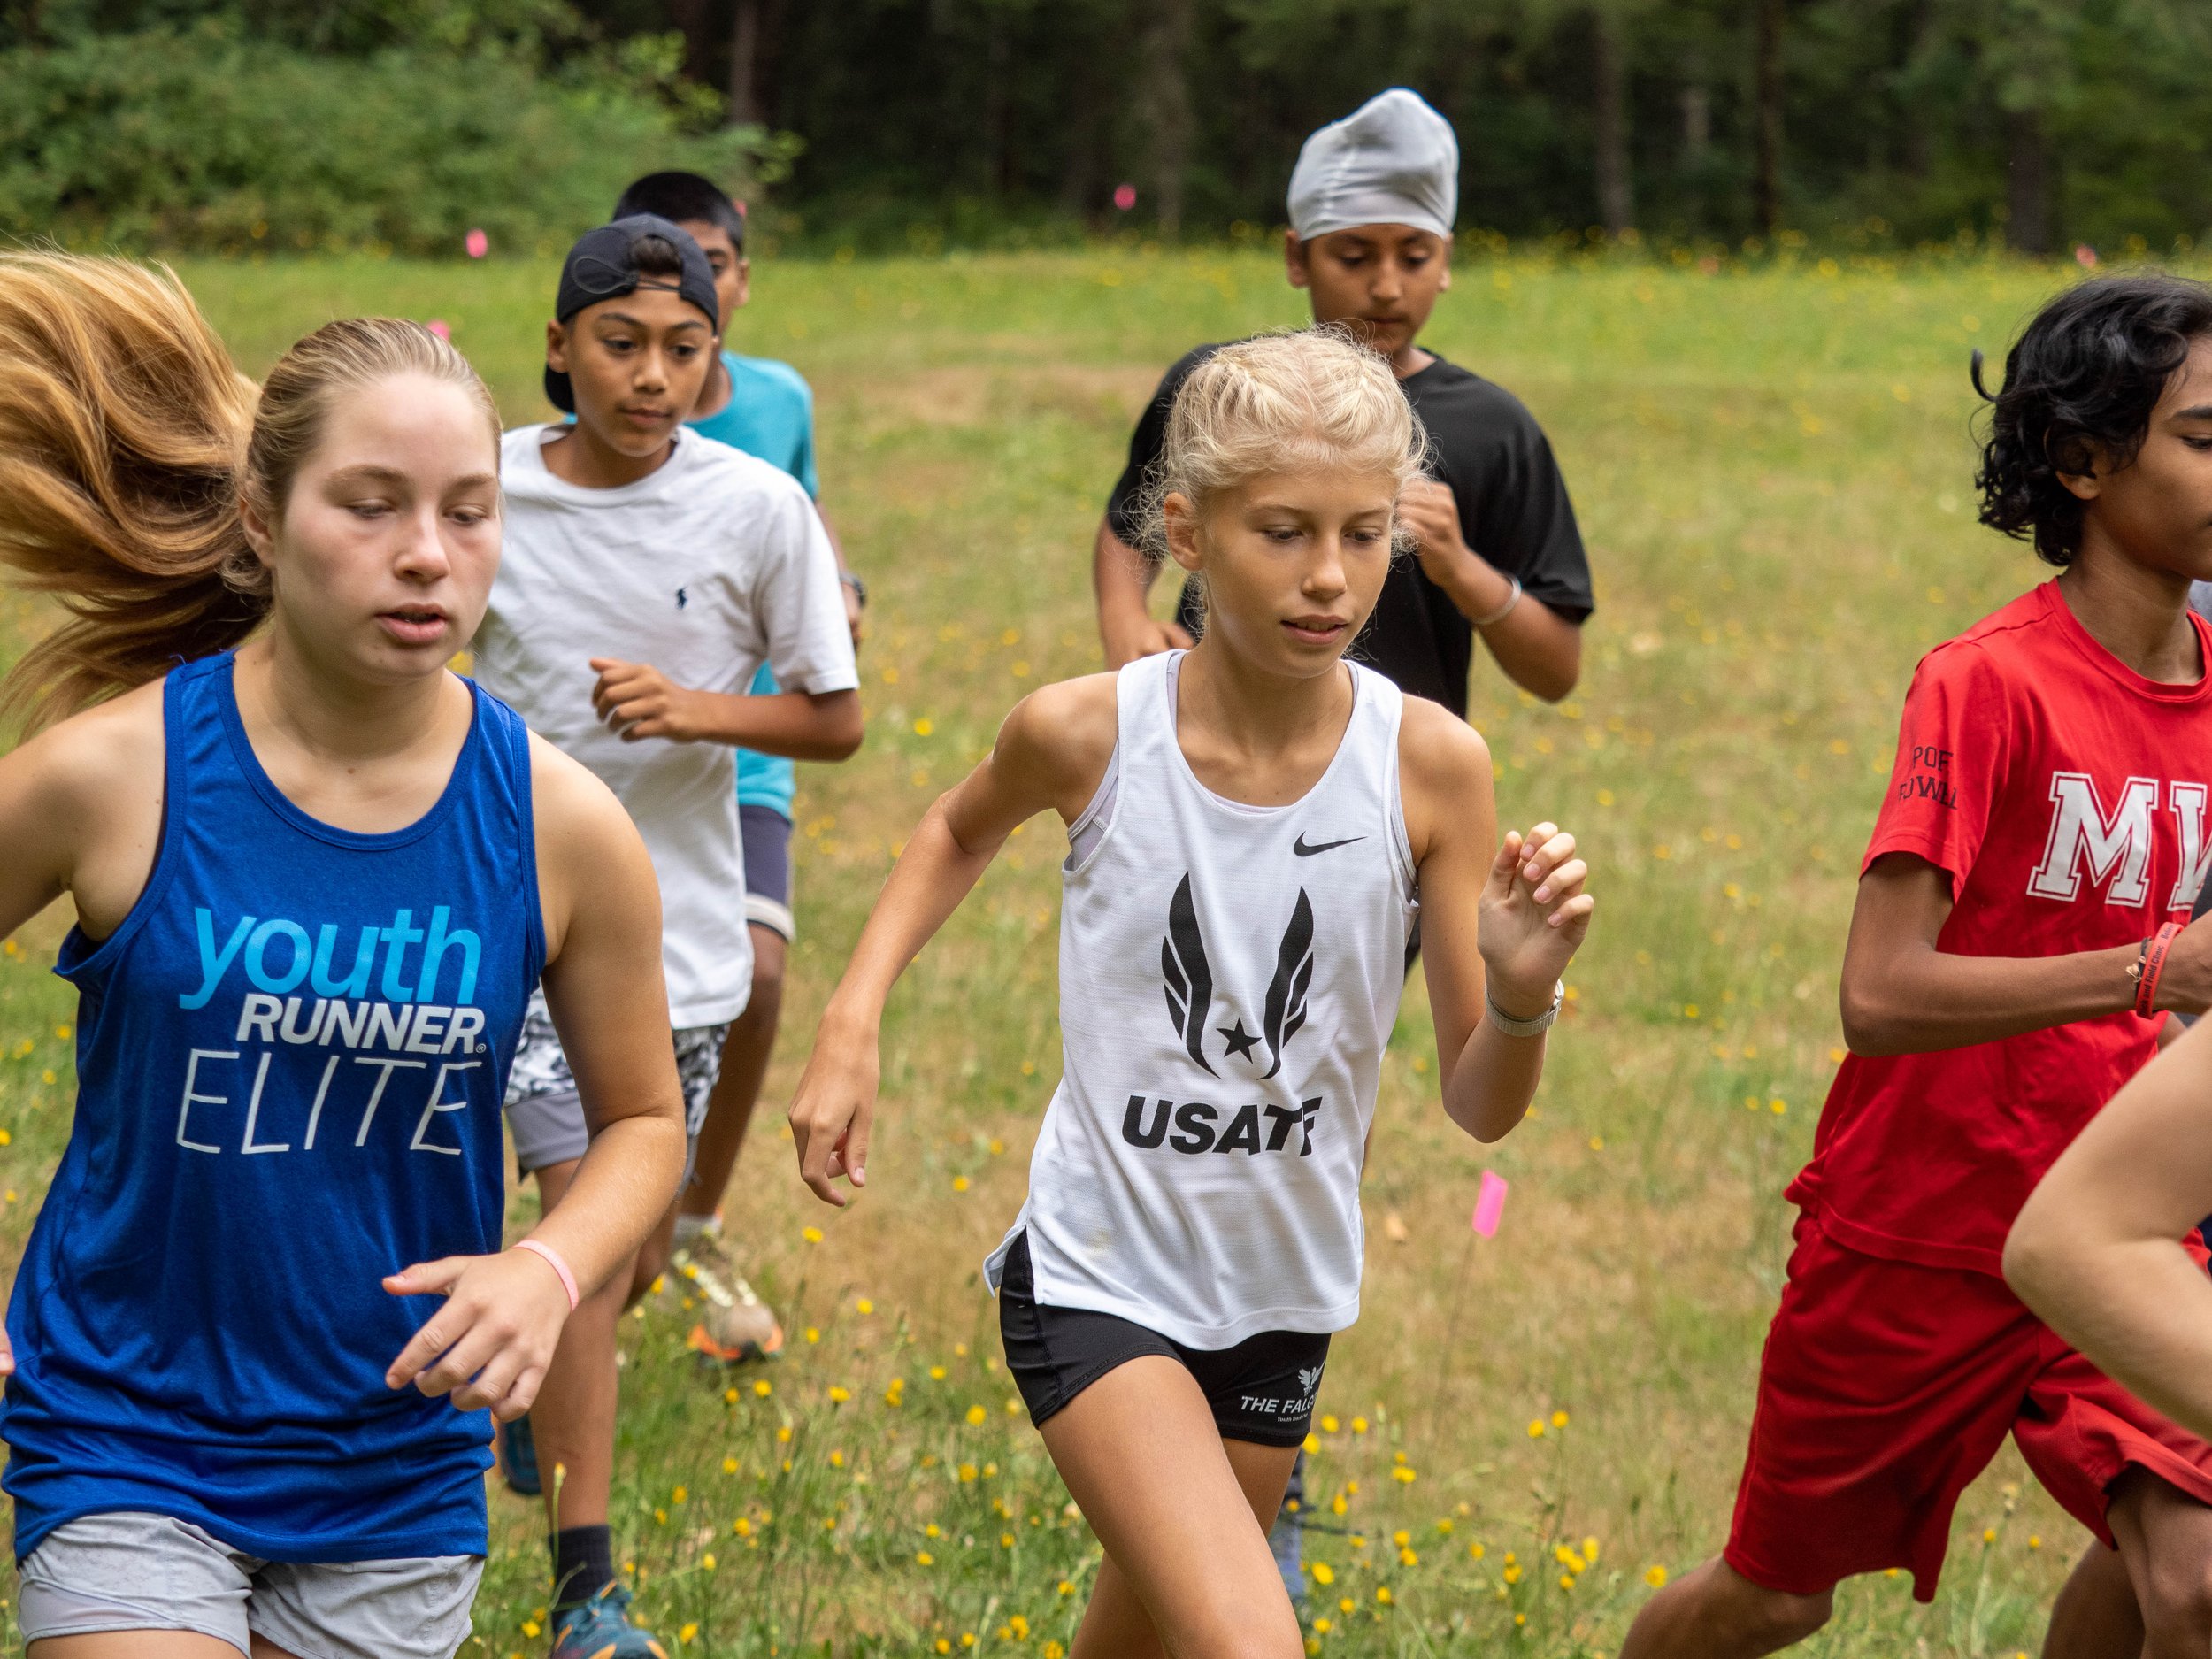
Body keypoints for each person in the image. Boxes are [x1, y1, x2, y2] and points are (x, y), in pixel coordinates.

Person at [787, 329, 1593, 1657]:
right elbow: (954, 827)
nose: (1330, 575)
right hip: (1101, 1269)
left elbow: (1482, 1107)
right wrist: (850, 1015)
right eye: (1282, 530)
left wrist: (1517, 997)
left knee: (1147, 1637)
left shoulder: (1434, 766)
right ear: (1188, 528)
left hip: (1283, 1287)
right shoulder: (1091, 729)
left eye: (1364, 531)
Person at [0, 253, 687, 1659]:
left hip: (395, 1459)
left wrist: (546, 1270)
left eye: (468, 512)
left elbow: (642, 1121)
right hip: (124, 1426)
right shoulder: (114, 773)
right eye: (371, 506)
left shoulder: (564, 825)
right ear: (263, 519)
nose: (427, 551)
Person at [1623, 273, 2212, 1659]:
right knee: (1776, 1593)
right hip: (1917, 1236)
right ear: (2082, 459)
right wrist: (2150, 972)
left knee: (2191, 1578)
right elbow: (1880, 996)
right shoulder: (1988, 679)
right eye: (2206, 435)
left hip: (2124, 1229)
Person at [468, 215, 861, 1659]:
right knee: (582, 1195)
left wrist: (695, 708)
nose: (649, 376)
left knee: (614, 1267)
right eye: (619, 344)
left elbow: (839, 716)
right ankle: (589, 1590)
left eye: (681, 349)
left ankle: (525, 1379)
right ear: (561, 345)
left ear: (716, 357)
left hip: (673, 940)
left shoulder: (758, 507)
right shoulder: (485, 488)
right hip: (499, 924)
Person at [1092, 88, 1593, 708]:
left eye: (1414, 257)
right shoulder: (1224, 389)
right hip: (1208, 754)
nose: (1386, 287)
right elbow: (1129, 525)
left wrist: (1460, 567)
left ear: (1446, 261)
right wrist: (1126, 624)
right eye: (1353, 256)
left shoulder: (1493, 430)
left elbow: (1557, 671)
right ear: (1297, 256)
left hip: (1393, 788)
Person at [608, 169, 866, 1366]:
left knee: (756, 976)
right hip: (610, 762)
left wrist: (837, 593)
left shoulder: (778, 400)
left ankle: (690, 1215)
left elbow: (799, 519)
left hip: (746, 749)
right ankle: (597, 1220)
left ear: (740, 283)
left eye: (712, 265)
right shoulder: (615, 405)